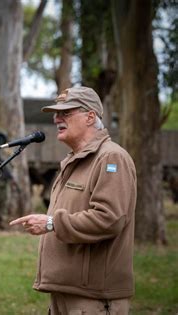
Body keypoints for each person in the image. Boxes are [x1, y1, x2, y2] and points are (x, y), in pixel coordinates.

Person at [9, 86, 137, 314]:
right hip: (66, 292)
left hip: (93, 298)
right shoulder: (75, 160)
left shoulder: (111, 157)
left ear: (90, 117)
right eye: (56, 113)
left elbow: (109, 219)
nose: (57, 118)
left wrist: (51, 223)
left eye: (66, 112)